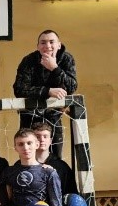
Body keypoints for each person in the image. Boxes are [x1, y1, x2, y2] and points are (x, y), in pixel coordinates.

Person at [13, 29, 78, 159]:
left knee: (55, 157)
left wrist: (55, 68)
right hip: (30, 116)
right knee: (28, 157)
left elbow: (72, 87)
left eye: (51, 42)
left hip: (54, 117)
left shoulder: (66, 59)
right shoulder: (29, 61)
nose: (47, 46)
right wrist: (47, 91)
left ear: (59, 45)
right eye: (43, 43)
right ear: (38, 46)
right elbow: (19, 89)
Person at [34, 122, 81, 206]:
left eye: (45, 136)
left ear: (50, 140)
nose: (41, 140)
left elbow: (71, 195)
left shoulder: (62, 167)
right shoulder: (22, 167)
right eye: (38, 136)